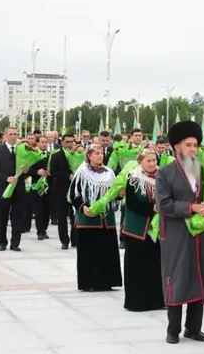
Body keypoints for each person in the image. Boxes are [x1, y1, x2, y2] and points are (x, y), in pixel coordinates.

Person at [155, 121, 204, 344]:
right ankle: (172, 330)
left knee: (199, 276)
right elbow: (163, 205)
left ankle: (193, 328)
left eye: (196, 145)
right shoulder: (165, 172)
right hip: (176, 234)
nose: (193, 149)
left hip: (201, 236)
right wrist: (191, 207)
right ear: (177, 147)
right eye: (189, 145)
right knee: (177, 277)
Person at [69, 144, 122, 292]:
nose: (100, 155)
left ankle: (107, 281)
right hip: (88, 219)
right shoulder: (82, 172)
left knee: (107, 251)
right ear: (89, 156)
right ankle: (89, 282)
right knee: (89, 251)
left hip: (107, 220)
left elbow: (114, 192)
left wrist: (120, 194)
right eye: (96, 153)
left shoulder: (109, 173)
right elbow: (74, 194)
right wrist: (83, 207)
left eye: (101, 153)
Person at [122, 149, 165, 311]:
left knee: (156, 264)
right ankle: (137, 302)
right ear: (141, 162)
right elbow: (132, 203)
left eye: (154, 160)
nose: (153, 164)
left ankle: (157, 300)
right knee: (137, 266)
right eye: (149, 161)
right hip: (138, 229)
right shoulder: (134, 178)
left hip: (157, 229)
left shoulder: (162, 177)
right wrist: (153, 208)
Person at [0, 127, 28, 251]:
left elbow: (27, 168)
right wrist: (6, 178)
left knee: (17, 216)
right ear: (5, 136)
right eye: (11, 134)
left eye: (15, 134)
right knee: (2, 216)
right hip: (3, 188)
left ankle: (15, 243)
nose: (13, 136)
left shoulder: (22, 150)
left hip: (19, 187)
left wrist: (26, 171)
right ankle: (2, 242)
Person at [50, 133, 77, 250]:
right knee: (62, 217)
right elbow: (53, 172)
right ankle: (64, 241)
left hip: (75, 191)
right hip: (61, 190)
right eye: (67, 142)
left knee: (75, 217)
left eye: (72, 142)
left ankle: (75, 240)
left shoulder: (78, 155)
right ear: (62, 142)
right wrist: (68, 176)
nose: (70, 144)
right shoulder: (56, 156)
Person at [30, 136, 51, 240]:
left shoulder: (50, 155)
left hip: (48, 185)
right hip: (37, 185)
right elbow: (28, 169)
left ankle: (45, 229)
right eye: (42, 142)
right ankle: (40, 231)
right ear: (37, 143)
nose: (44, 144)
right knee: (39, 208)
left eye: (46, 142)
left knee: (47, 208)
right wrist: (37, 172)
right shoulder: (33, 155)